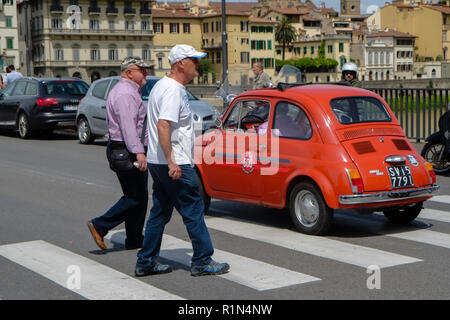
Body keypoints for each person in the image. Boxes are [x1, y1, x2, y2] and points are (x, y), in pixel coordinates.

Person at [135, 44, 230, 277]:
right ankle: (202, 260)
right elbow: (163, 125)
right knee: (193, 208)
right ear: (180, 64)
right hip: (173, 161)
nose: (198, 65)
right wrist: (172, 161)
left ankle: (146, 261)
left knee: (160, 211)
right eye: (194, 60)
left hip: (158, 159)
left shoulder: (161, 86)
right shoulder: (173, 90)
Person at [87, 57, 151, 251]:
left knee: (136, 196)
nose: (146, 73)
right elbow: (128, 126)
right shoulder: (125, 94)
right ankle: (100, 224)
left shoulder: (128, 91)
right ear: (129, 72)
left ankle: (134, 239)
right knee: (136, 197)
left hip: (123, 148)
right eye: (142, 70)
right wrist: (139, 152)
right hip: (127, 150)